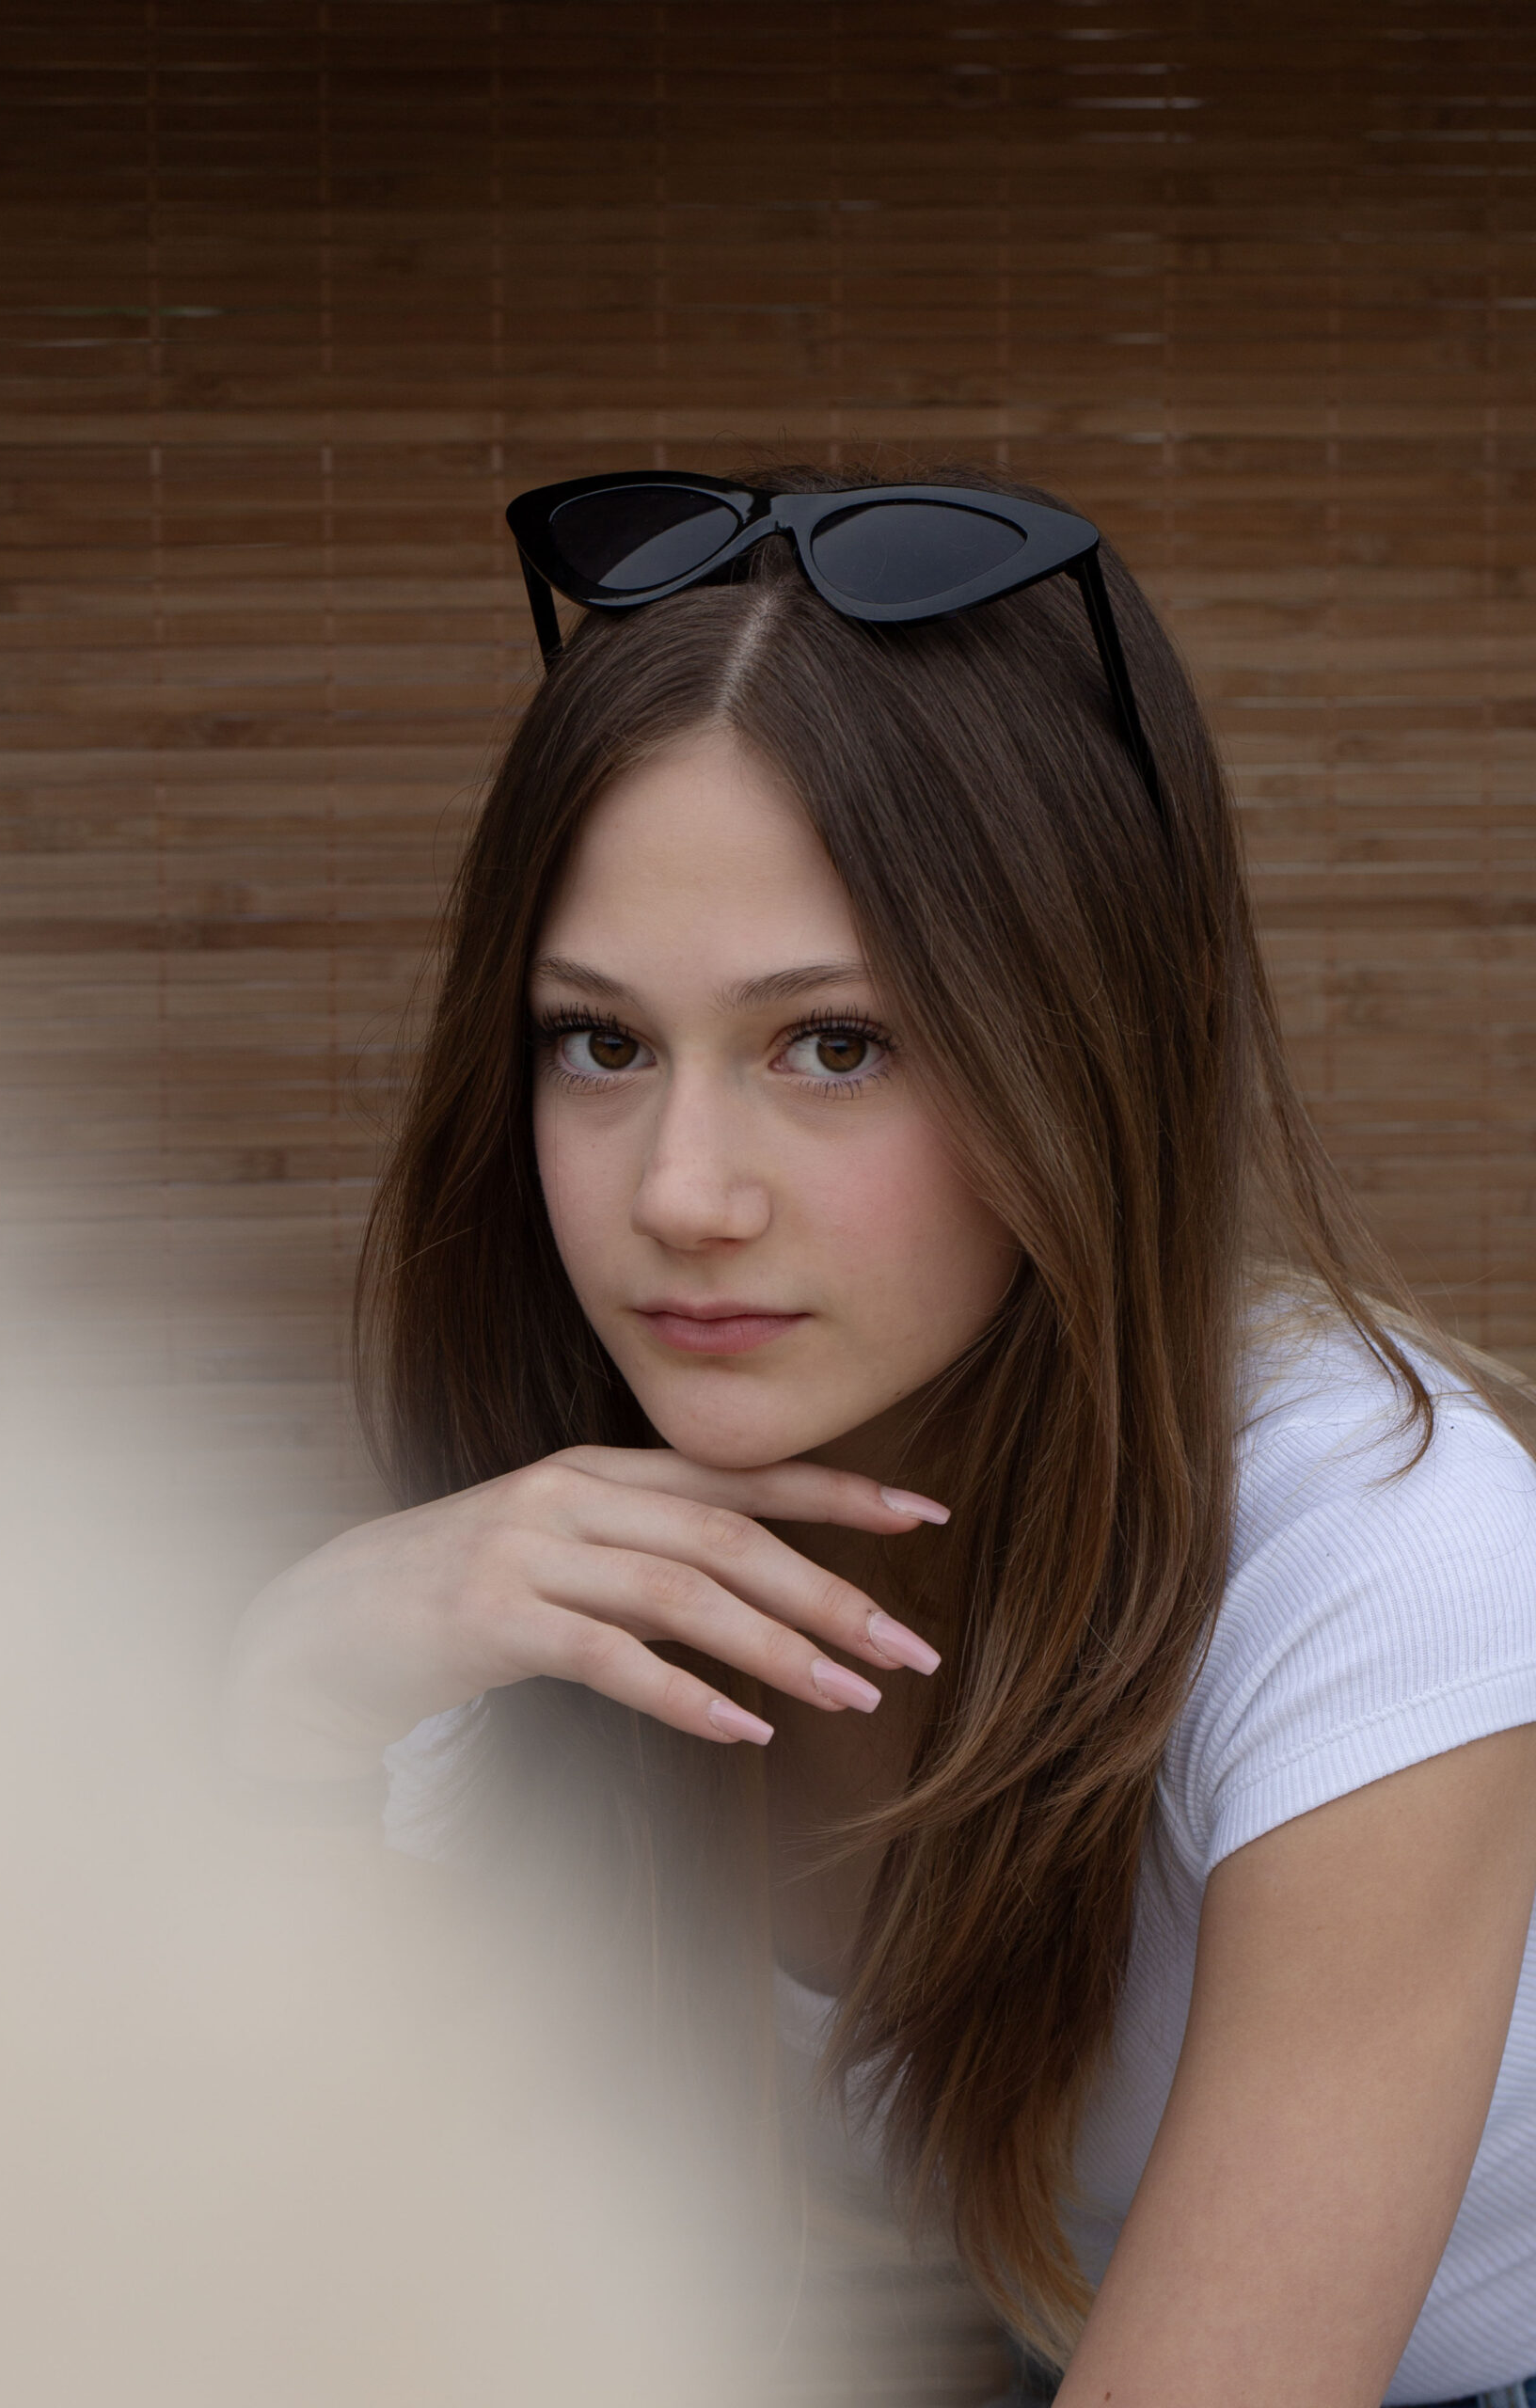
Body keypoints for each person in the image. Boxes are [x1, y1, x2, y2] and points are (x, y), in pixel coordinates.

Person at [229, 462, 1536, 2408]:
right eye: (599, 1040)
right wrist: (297, 1696)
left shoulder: (1377, 1546)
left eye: (833, 1044)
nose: (681, 1194)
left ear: (1081, 1044)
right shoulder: (557, 1568)